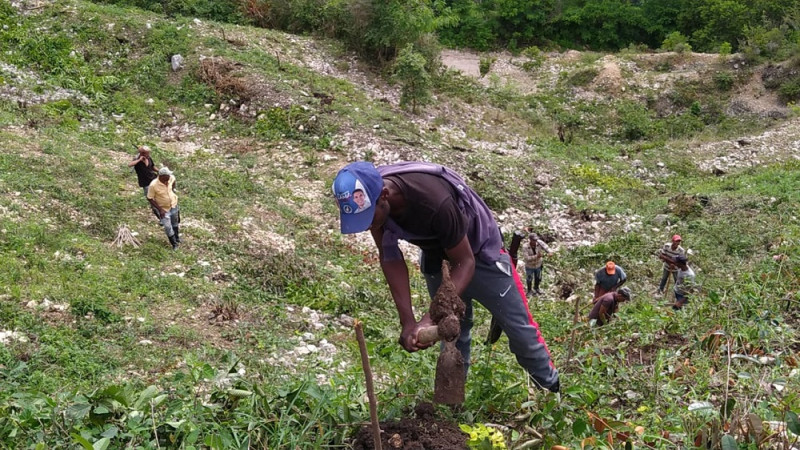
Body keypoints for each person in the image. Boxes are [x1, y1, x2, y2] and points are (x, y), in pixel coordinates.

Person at [332, 161, 559, 393]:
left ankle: (552, 393)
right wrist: (408, 321)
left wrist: (430, 316)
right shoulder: (369, 198)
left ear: (385, 195)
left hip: (480, 255)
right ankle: (452, 408)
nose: (368, 225)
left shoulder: (433, 200)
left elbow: (465, 261)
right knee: (452, 334)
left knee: (521, 331)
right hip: (437, 255)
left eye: (370, 218)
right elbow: (390, 257)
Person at [147, 167, 181, 250]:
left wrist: (172, 190)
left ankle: (177, 238)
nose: (169, 177)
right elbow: (150, 198)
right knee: (168, 227)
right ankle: (174, 244)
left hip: (173, 204)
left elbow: (173, 181)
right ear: (161, 176)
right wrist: (160, 209)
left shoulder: (171, 178)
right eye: (167, 176)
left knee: (175, 223)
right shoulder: (153, 185)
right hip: (164, 209)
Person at [128, 145, 159, 219]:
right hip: (146, 183)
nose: (148, 155)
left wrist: (159, 171)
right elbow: (130, 165)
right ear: (142, 153)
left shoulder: (149, 158)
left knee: (159, 198)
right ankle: (160, 217)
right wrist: (139, 160)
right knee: (152, 201)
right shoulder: (137, 159)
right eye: (147, 153)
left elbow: (152, 167)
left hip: (154, 180)